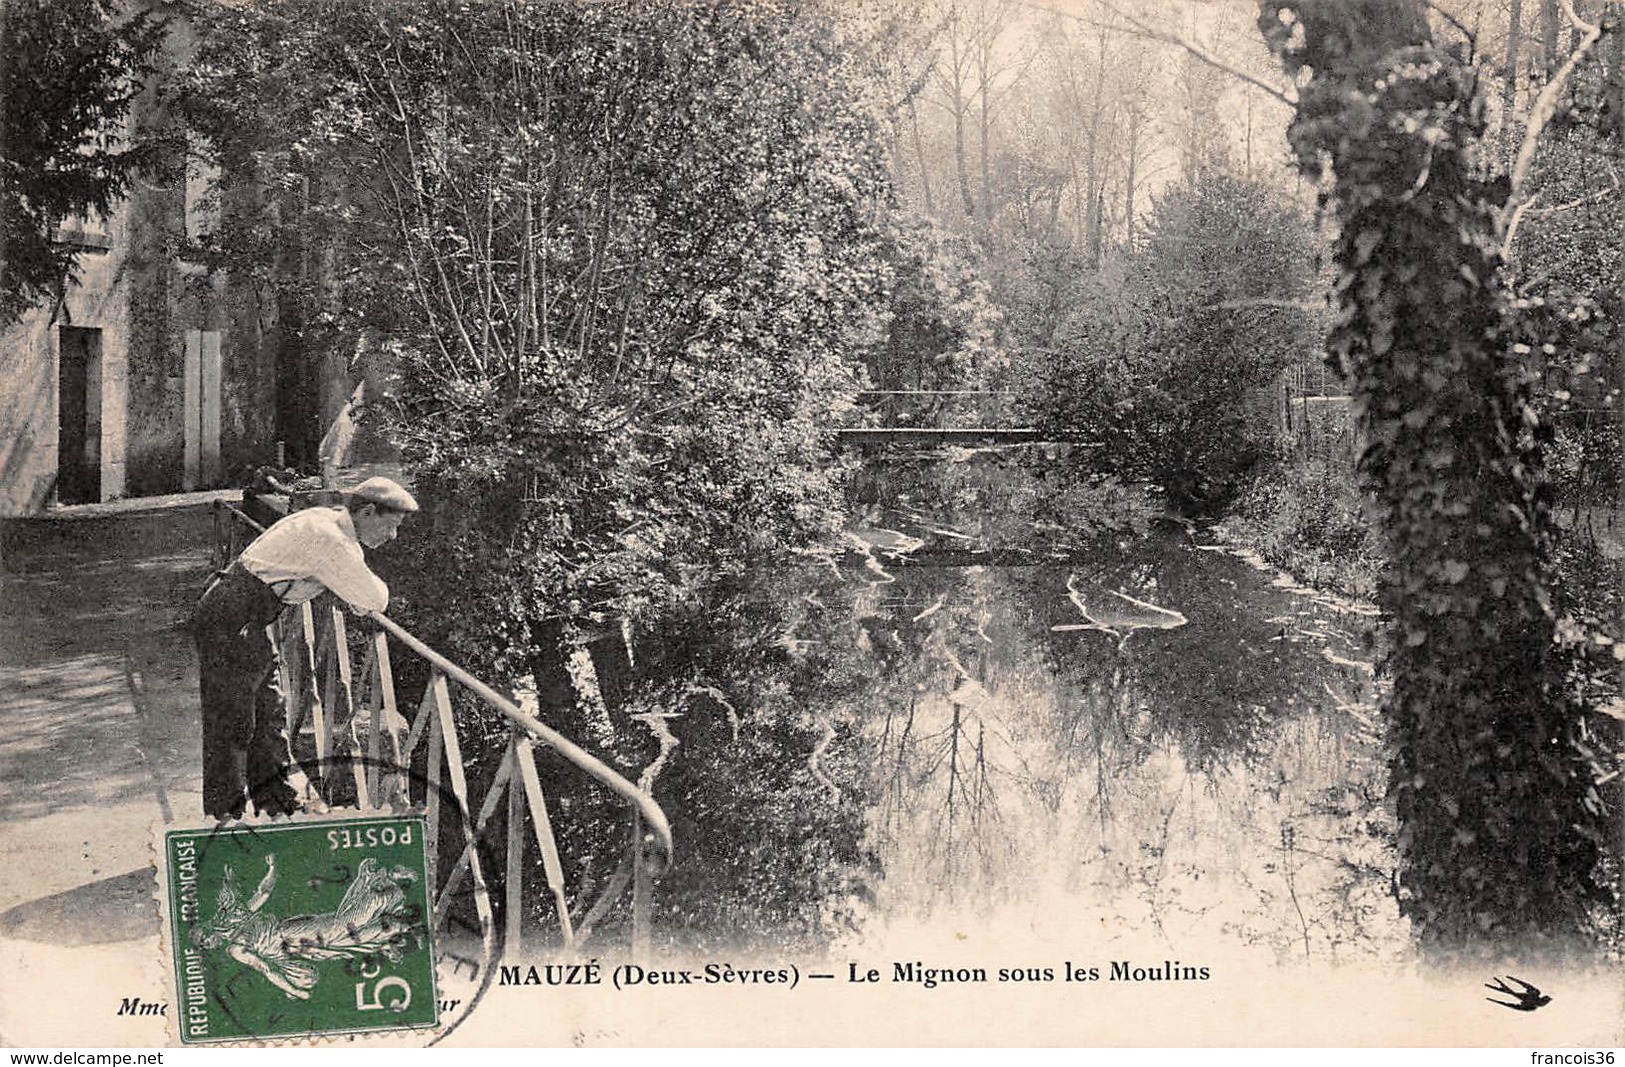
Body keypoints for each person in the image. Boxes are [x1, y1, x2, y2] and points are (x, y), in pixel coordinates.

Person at [196, 475, 418, 819]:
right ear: (368, 512)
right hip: (231, 618)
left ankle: (278, 802)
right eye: (391, 526)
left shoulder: (327, 520)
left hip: (246, 616)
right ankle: (223, 816)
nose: (393, 537)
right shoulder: (330, 539)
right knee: (235, 717)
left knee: (269, 709)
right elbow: (373, 599)